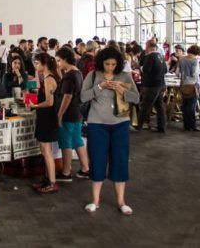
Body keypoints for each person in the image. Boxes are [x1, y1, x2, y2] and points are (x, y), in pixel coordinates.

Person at [80, 46, 139, 215]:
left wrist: (122, 90)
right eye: (107, 64)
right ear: (101, 62)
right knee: (97, 160)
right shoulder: (92, 76)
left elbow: (136, 98)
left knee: (120, 160)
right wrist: (100, 87)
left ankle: (121, 201)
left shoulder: (125, 76)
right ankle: (95, 200)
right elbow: (83, 97)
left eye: (113, 64)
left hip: (120, 123)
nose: (110, 67)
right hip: (97, 123)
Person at [54, 47, 90, 182]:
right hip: (77, 113)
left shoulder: (69, 76)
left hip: (68, 114)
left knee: (66, 143)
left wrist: (59, 114)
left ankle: (66, 172)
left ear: (65, 60)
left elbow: (67, 97)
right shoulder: (77, 72)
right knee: (77, 140)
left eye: (58, 61)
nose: (57, 64)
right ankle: (85, 168)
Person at [29, 53, 60, 194]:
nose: (35, 66)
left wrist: (34, 106)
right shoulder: (46, 78)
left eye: (36, 63)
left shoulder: (48, 79)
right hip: (45, 117)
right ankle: (48, 179)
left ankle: (52, 182)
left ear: (44, 64)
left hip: (48, 118)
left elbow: (49, 102)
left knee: (46, 151)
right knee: (45, 150)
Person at [137, 39, 167, 132]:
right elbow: (165, 70)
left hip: (151, 85)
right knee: (160, 107)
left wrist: (140, 68)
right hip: (161, 83)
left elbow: (146, 70)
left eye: (146, 46)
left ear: (148, 46)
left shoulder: (150, 57)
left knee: (145, 106)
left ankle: (139, 125)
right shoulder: (160, 56)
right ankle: (162, 126)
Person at [179, 45, 200, 131]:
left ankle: (186, 125)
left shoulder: (182, 59)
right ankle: (192, 125)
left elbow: (179, 72)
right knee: (192, 106)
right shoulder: (195, 61)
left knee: (185, 105)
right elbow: (195, 74)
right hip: (193, 85)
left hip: (184, 84)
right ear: (197, 53)